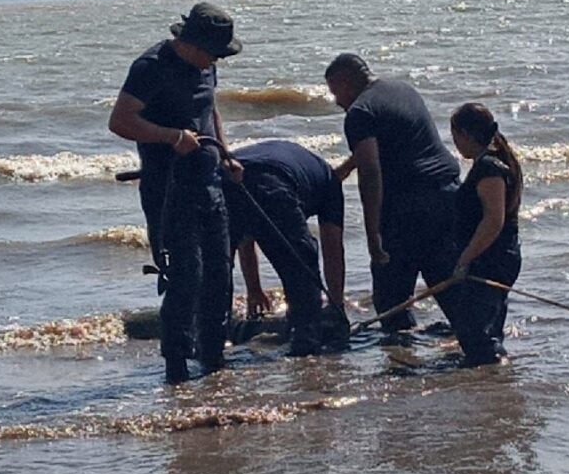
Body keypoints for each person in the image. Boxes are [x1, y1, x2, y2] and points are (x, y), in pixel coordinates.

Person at [108, 2, 243, 384]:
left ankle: (214, 360)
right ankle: (177, 368)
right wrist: (170, 137)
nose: (214, 61)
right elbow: (120, 121)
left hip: (209, 182)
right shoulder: (150, 67)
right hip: (168, 188)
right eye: (212, 53)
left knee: (220, 273)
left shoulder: (207, 65)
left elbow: (210, 110)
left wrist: (226, 153)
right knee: (186, 277)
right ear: (190, 42)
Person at [324, 53, 462, 334]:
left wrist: (373, 235)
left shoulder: (360, 112)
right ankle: (477, 351)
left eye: (335, 91)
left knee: (390, 297)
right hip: (448, 195)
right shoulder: (401, 89)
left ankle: (402, 363)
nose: (337, 101)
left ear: (347, 82)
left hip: (407, 207)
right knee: (448, 283)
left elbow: (371, 173)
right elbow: (392, 139)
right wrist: (344, 170)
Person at [224, 140, 348, 355]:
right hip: (273, 181)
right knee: (302, 270)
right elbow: (332, 249)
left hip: (229, 175)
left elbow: (246, 235)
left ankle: (212, 347)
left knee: (217, 271)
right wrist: (337, 305)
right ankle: (306, 345)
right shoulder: (330, 185)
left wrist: (254, 289)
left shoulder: (310, 171)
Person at [449, 102, 523, 366]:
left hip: (491, 260)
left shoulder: (490, 168)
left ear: (465, 135)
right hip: (496, 257)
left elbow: (494, 220)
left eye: (455, 136)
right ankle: (494, 371)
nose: (455, 143)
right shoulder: (493, 162)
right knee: (485, 327)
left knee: (475, 332)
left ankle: (493, 376)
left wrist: (465, 259)